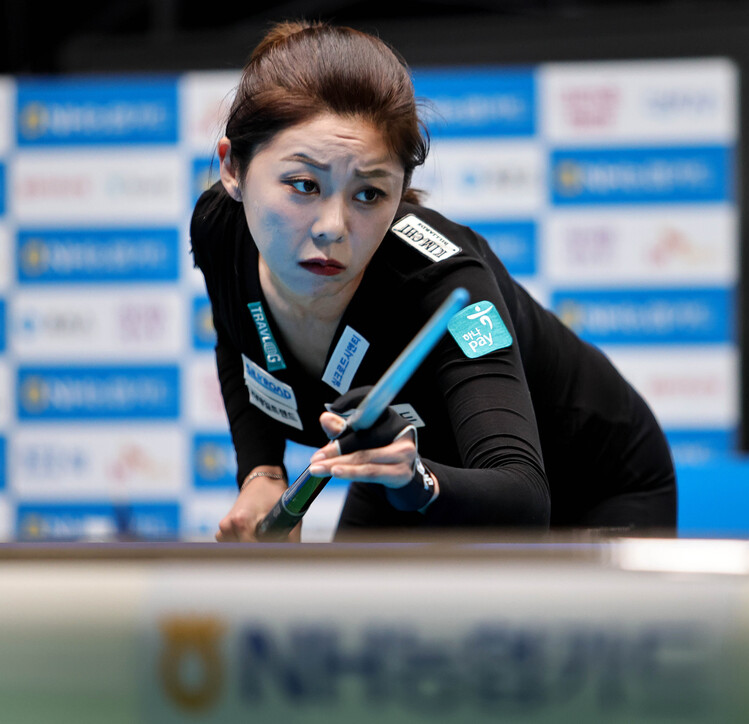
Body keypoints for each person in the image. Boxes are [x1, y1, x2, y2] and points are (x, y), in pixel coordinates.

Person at [191, 20, 677, 542]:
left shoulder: (441, 285)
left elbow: (525, 496)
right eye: (304, 184)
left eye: (369, 194)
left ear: (401, 191)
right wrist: (261, 472)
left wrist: (415, 479)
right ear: (233, 169)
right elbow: (240, 338)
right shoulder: (221, 229)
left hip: (592, 486)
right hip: (411, 464)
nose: (333, 227)